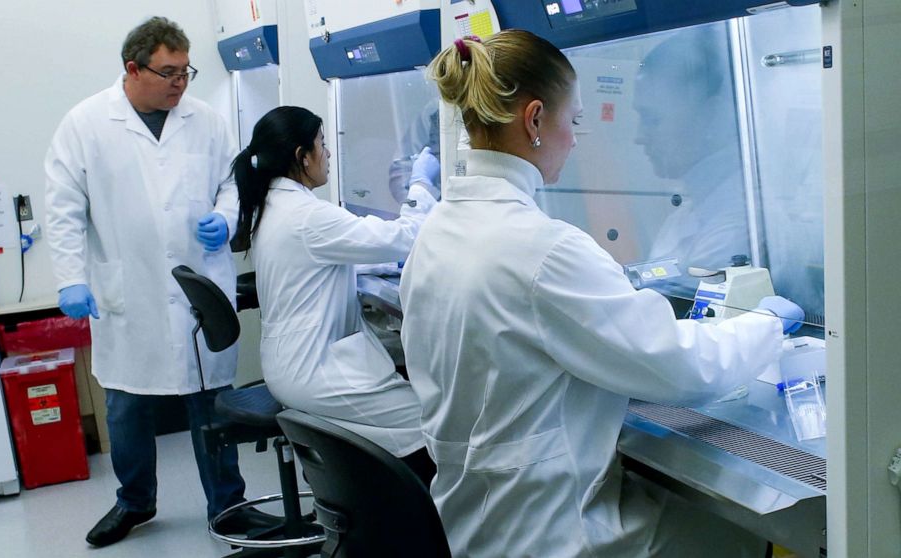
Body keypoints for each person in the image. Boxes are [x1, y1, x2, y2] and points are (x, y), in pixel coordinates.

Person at [400, 29, 805, 557]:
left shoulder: (437, 229)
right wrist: (767, 324)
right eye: (575, 121)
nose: (576, 137)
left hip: (473, 517)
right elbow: (680, 367)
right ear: (536, 120)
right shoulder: (542, 248)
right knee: (740, 536)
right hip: (550, 533)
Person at [44, 16, 266, 548]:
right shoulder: (87, 123)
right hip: (130, 293)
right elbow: (63, 208)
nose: (179, 83)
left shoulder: (206, 119)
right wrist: (71, 279)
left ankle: (228, 505)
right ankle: (134, 502)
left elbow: (231, 182)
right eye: (168, 72)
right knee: (126, 408)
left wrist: (226, 215)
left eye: (185, 71)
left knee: (210, 401)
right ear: (132, 68)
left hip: (197, 290)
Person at [233, 105, 440, 484]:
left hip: (291, 363)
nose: (327, 154)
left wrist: (369, 262)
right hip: (315, 372)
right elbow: (409, 235)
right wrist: (421, 184)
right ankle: (422, 533)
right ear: (302, 157)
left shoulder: (275, 205)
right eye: (323, 145)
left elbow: (314, 261)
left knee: (409, 424)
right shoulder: (306, 215)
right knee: (427, 428)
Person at [633, 26, 751, 285]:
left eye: (652, 119)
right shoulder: (690, 209)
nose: (639, 136)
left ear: (709, 115)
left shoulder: (739, 224)